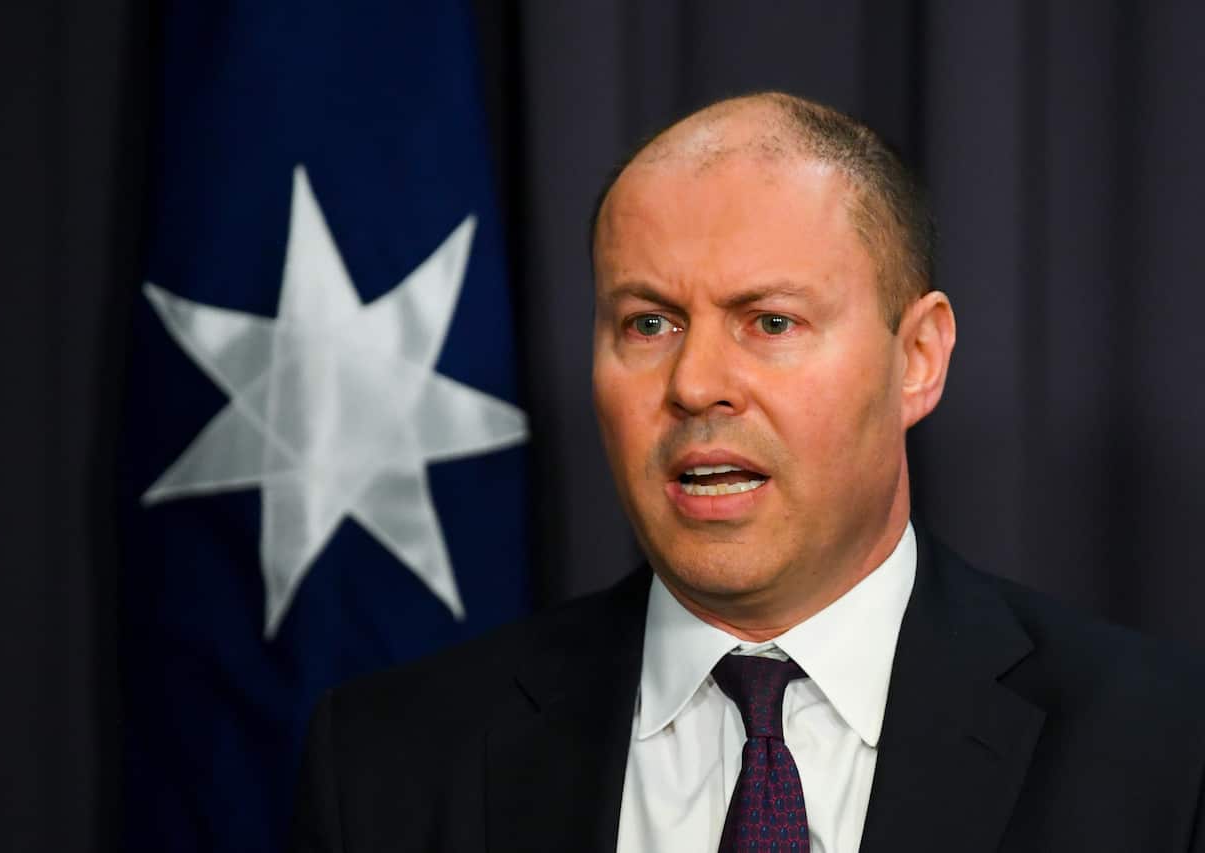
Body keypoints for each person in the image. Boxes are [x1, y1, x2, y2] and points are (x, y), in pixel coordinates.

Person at [287, 92, 1205, 852]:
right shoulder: (386, 765)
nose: (695, 384)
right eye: (648, 323)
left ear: (918, 356)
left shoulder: (1165, 751)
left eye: (769, 322)